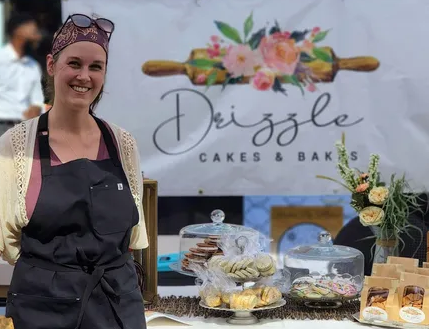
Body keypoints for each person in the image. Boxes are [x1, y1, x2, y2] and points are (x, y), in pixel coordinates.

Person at [0, 14, 148, 329]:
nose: (84, 76)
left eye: (96, 67)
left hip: (116, 305)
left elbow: (134, 235)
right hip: (42, 308)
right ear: (52, 65)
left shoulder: (123, 143)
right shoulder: (15, 146)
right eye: (75, 64)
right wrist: (57, 273)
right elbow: (7, 240)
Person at [0, 12, 44, 135]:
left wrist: (36, 107)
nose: (36, 31)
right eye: (31, 26)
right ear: (17, 30)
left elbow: (37, 99)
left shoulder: (33, 66)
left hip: (24, 129)